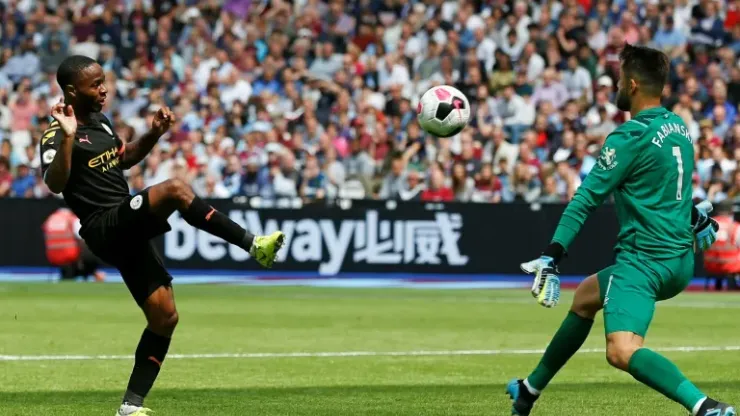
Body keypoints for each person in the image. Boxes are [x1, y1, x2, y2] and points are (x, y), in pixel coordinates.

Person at [39, 56, 285, 416]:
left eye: (104, 81)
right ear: (73, 91)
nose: (104, 89)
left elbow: (124, 159)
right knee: (174, 189)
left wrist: (153, 133)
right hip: (103, 225)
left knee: (165, 317)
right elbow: (55, 182)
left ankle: (131, 406)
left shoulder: (102, 123)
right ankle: (254, 244)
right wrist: (67, 135)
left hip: (125, 226)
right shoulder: (55, 133)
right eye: (96, 85)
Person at [507, 44, 731, 416]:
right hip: (681, 260)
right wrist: (692, 215)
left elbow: (585, 200)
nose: (616, 86)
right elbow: (665, 188)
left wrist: (551, 255)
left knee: (621, 349)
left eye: (619, 79)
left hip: (645, 262)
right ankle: (528, 390)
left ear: (632, 84)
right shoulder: (678, 127)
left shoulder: (629, 137)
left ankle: (706, 407)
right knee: (585, 296)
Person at [42, 205, 105, 282]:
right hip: (69, 255)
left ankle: (75, 273)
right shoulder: (71, 218)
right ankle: (90, 273)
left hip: (52, 256)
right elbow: (82, 237)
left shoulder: (51, 218)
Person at [703, 199, 740, 291]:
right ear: (731, 211)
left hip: (710, 264)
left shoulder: (707, 225)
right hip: (731, 266)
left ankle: (718, 283)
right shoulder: (735, 226)